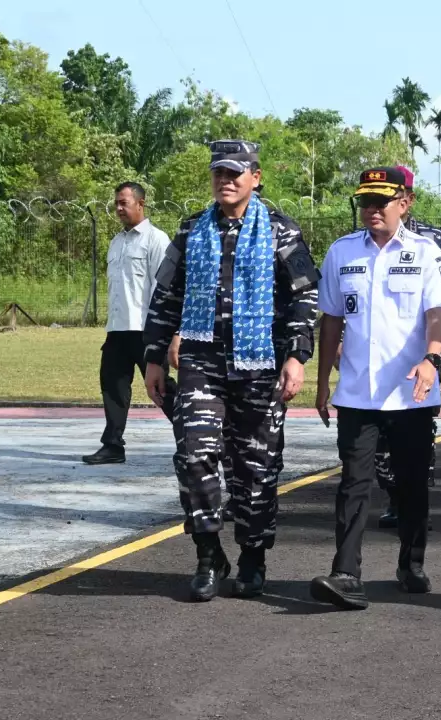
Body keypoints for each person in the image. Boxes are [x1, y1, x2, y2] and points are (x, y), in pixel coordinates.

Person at [143, 140, 320, 602]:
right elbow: (166, 297)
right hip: (202, 361)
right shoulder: (192, 230)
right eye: (219, 172)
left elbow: (305, 297)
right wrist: (154, 358)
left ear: (255, 178)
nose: (225, 180)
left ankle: (253, 558)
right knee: (194, 455)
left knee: (256, 467)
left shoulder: (281, 230)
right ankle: (208, 555)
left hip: (260, 366)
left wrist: (297, 356)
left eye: (235, 173)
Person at [310, 167, 441, 611]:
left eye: (381, 201)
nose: (371, 209)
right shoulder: (341, 252)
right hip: (358, 392)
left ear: (404, 203)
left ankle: (411, 563)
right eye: (365, 202)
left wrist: (433, 358)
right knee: (354, 483)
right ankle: (346, 574)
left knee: (412, 484)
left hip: (410, 392)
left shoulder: (425, 251)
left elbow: (437, 314)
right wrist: (323, 382)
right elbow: (331, 320)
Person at [370, 165, 441, 529]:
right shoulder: (367, 237)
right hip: (379, 355)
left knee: (418, 429)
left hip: (425, 351)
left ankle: (415, 500)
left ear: (408, 199)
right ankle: (394, 495)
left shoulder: (433, 240)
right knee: (380, 435)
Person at [82, 182, 174, 465]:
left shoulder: (156, 239)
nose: (119, 208)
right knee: (112, 386)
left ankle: (194, 437)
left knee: (160, 388)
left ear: (141, 203)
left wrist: (163, 332)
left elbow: (164, 288)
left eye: (124, 203)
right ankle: (112, 445)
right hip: (118, 328)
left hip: (146, 329)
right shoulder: (117, 242)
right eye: (116, 204)